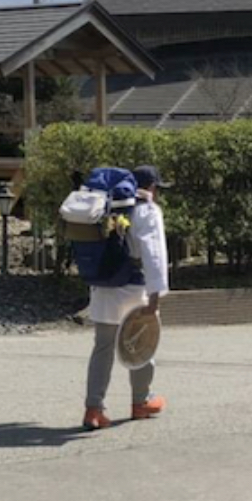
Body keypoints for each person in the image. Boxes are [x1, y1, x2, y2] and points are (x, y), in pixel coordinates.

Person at [83, 164, 170, 431]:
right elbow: (154, 253)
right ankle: (141, 401)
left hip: (103, 285)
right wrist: (156, 293)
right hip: (134, 286)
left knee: (103, 347)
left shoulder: (107, 206)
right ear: (152, 187)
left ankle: (94, 409)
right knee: (142, 343)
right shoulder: (147, 210)